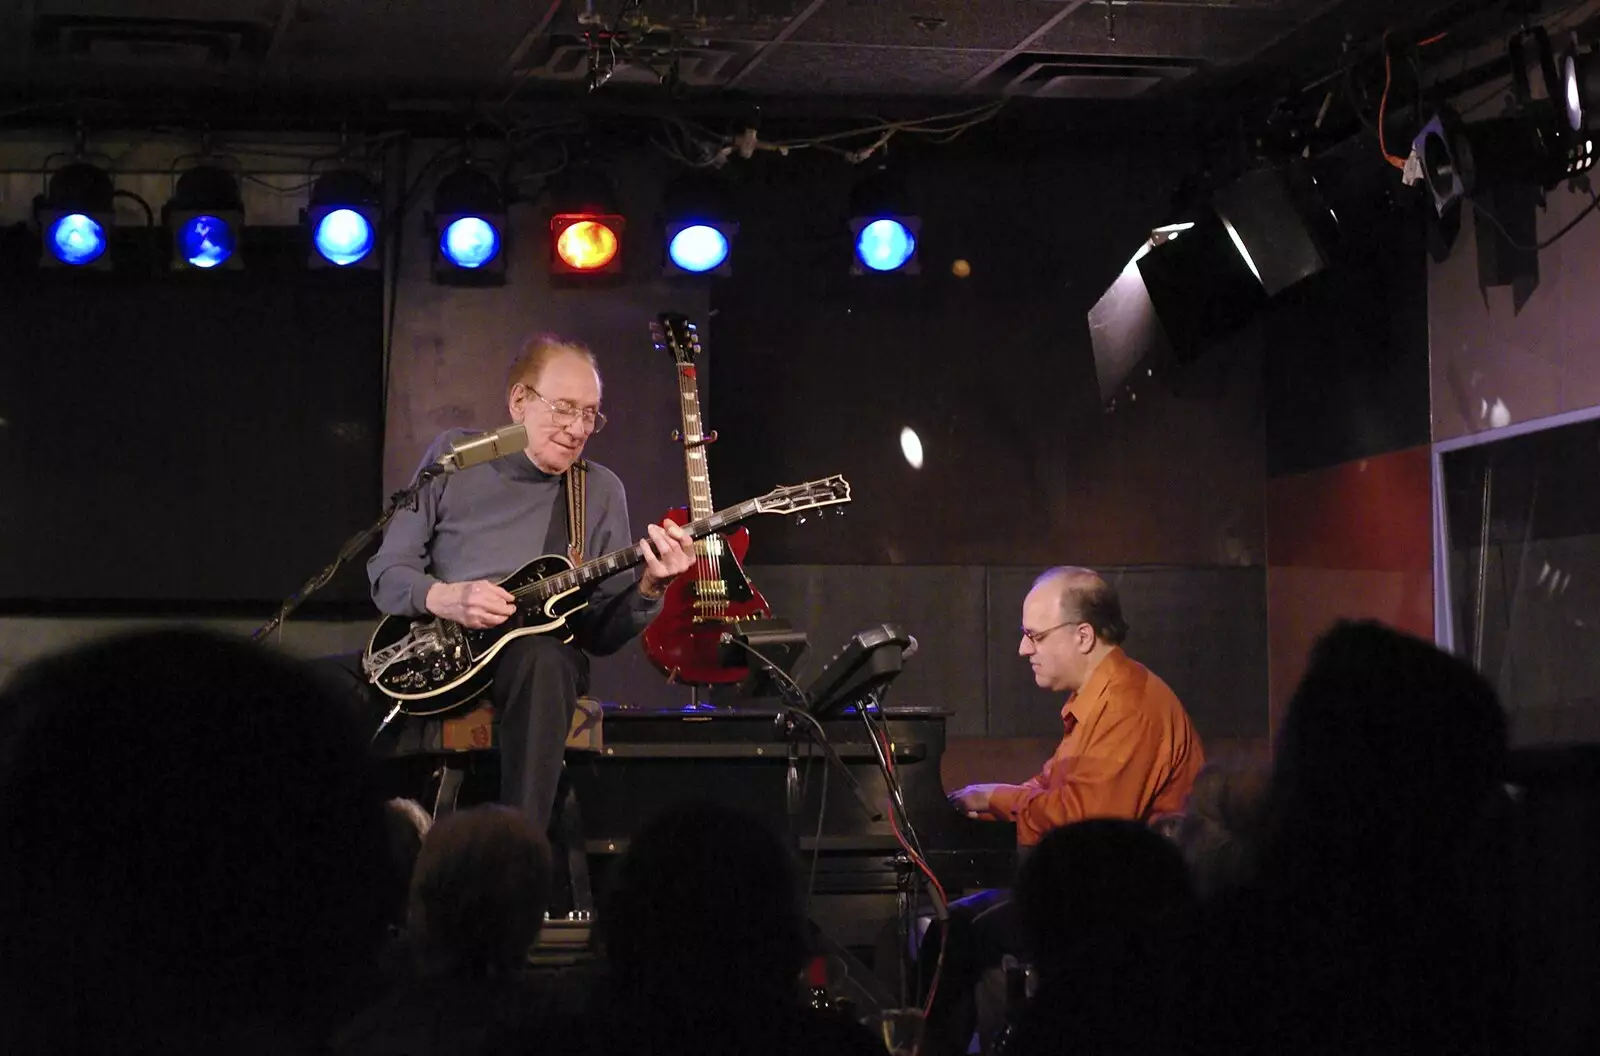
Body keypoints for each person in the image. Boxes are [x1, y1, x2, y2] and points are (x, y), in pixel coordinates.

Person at [357, 334, 694, 836]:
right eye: (564, 409)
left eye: (590, 414)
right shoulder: (455, 456)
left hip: (534, 664)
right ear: (519, 400)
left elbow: (601, 633)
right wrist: (446, 597)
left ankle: (519, 858)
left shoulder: (597, 490)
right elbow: (389, 571)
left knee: (544, 658)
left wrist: (649, 586)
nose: (578, 428)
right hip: (436, 653)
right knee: (309, 691)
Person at [921, 566, 1206, 1056]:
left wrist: (995, 798)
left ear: (1083, 635)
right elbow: (1052, 783)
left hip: (1129, 906)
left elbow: (1086, 822)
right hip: (1098, 890)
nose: (1023, 650)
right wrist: (986, 798)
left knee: (960, 938)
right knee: (956, 925)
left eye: (1034, 636)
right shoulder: (1101, 698)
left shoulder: (1129, 705)